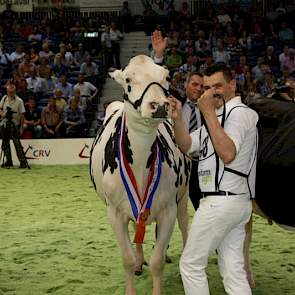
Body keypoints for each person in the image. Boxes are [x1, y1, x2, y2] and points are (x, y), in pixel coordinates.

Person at [170, 64, 258, 295]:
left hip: (220, 202)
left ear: (233, 85)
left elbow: (228, 154)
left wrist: (207, 113)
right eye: (207, 88)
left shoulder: (239, 114)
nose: (210, 93)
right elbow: (188, 145)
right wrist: (178, 118)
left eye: (217, 86)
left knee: (190, 265)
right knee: (233, 270)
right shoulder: (217, 118)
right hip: (235, 204)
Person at [0, 84, 28, 168]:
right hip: (5, 124)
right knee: (5, 143)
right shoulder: (4, 98)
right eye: (9, 92)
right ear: (7, 91)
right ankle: (8, 161)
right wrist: (4, 114)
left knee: (17, 144)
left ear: (15, 92)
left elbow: (22, 115)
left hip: (15, 125)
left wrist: (22, 127)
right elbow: (0, 109)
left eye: (12, 92)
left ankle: (23, 162)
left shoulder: (19, 101)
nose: (10, 93)